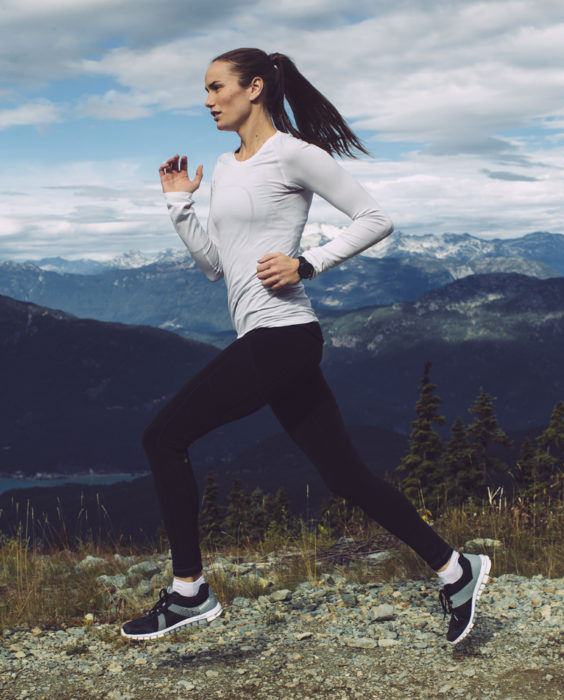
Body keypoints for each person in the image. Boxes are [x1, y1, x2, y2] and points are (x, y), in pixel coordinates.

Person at [120, 48, 490, 645]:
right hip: (265, 337)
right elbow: (218, 268)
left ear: (256, 87)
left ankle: (189, 591)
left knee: (162, 437)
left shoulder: (292, 153)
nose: (208, 99)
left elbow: (375, 218)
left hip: (283, 335)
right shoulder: (226, 164)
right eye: (205, 91)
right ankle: (457, 569)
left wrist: (307, 263)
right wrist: (178, 204)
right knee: (345, 475)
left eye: (217, 87)